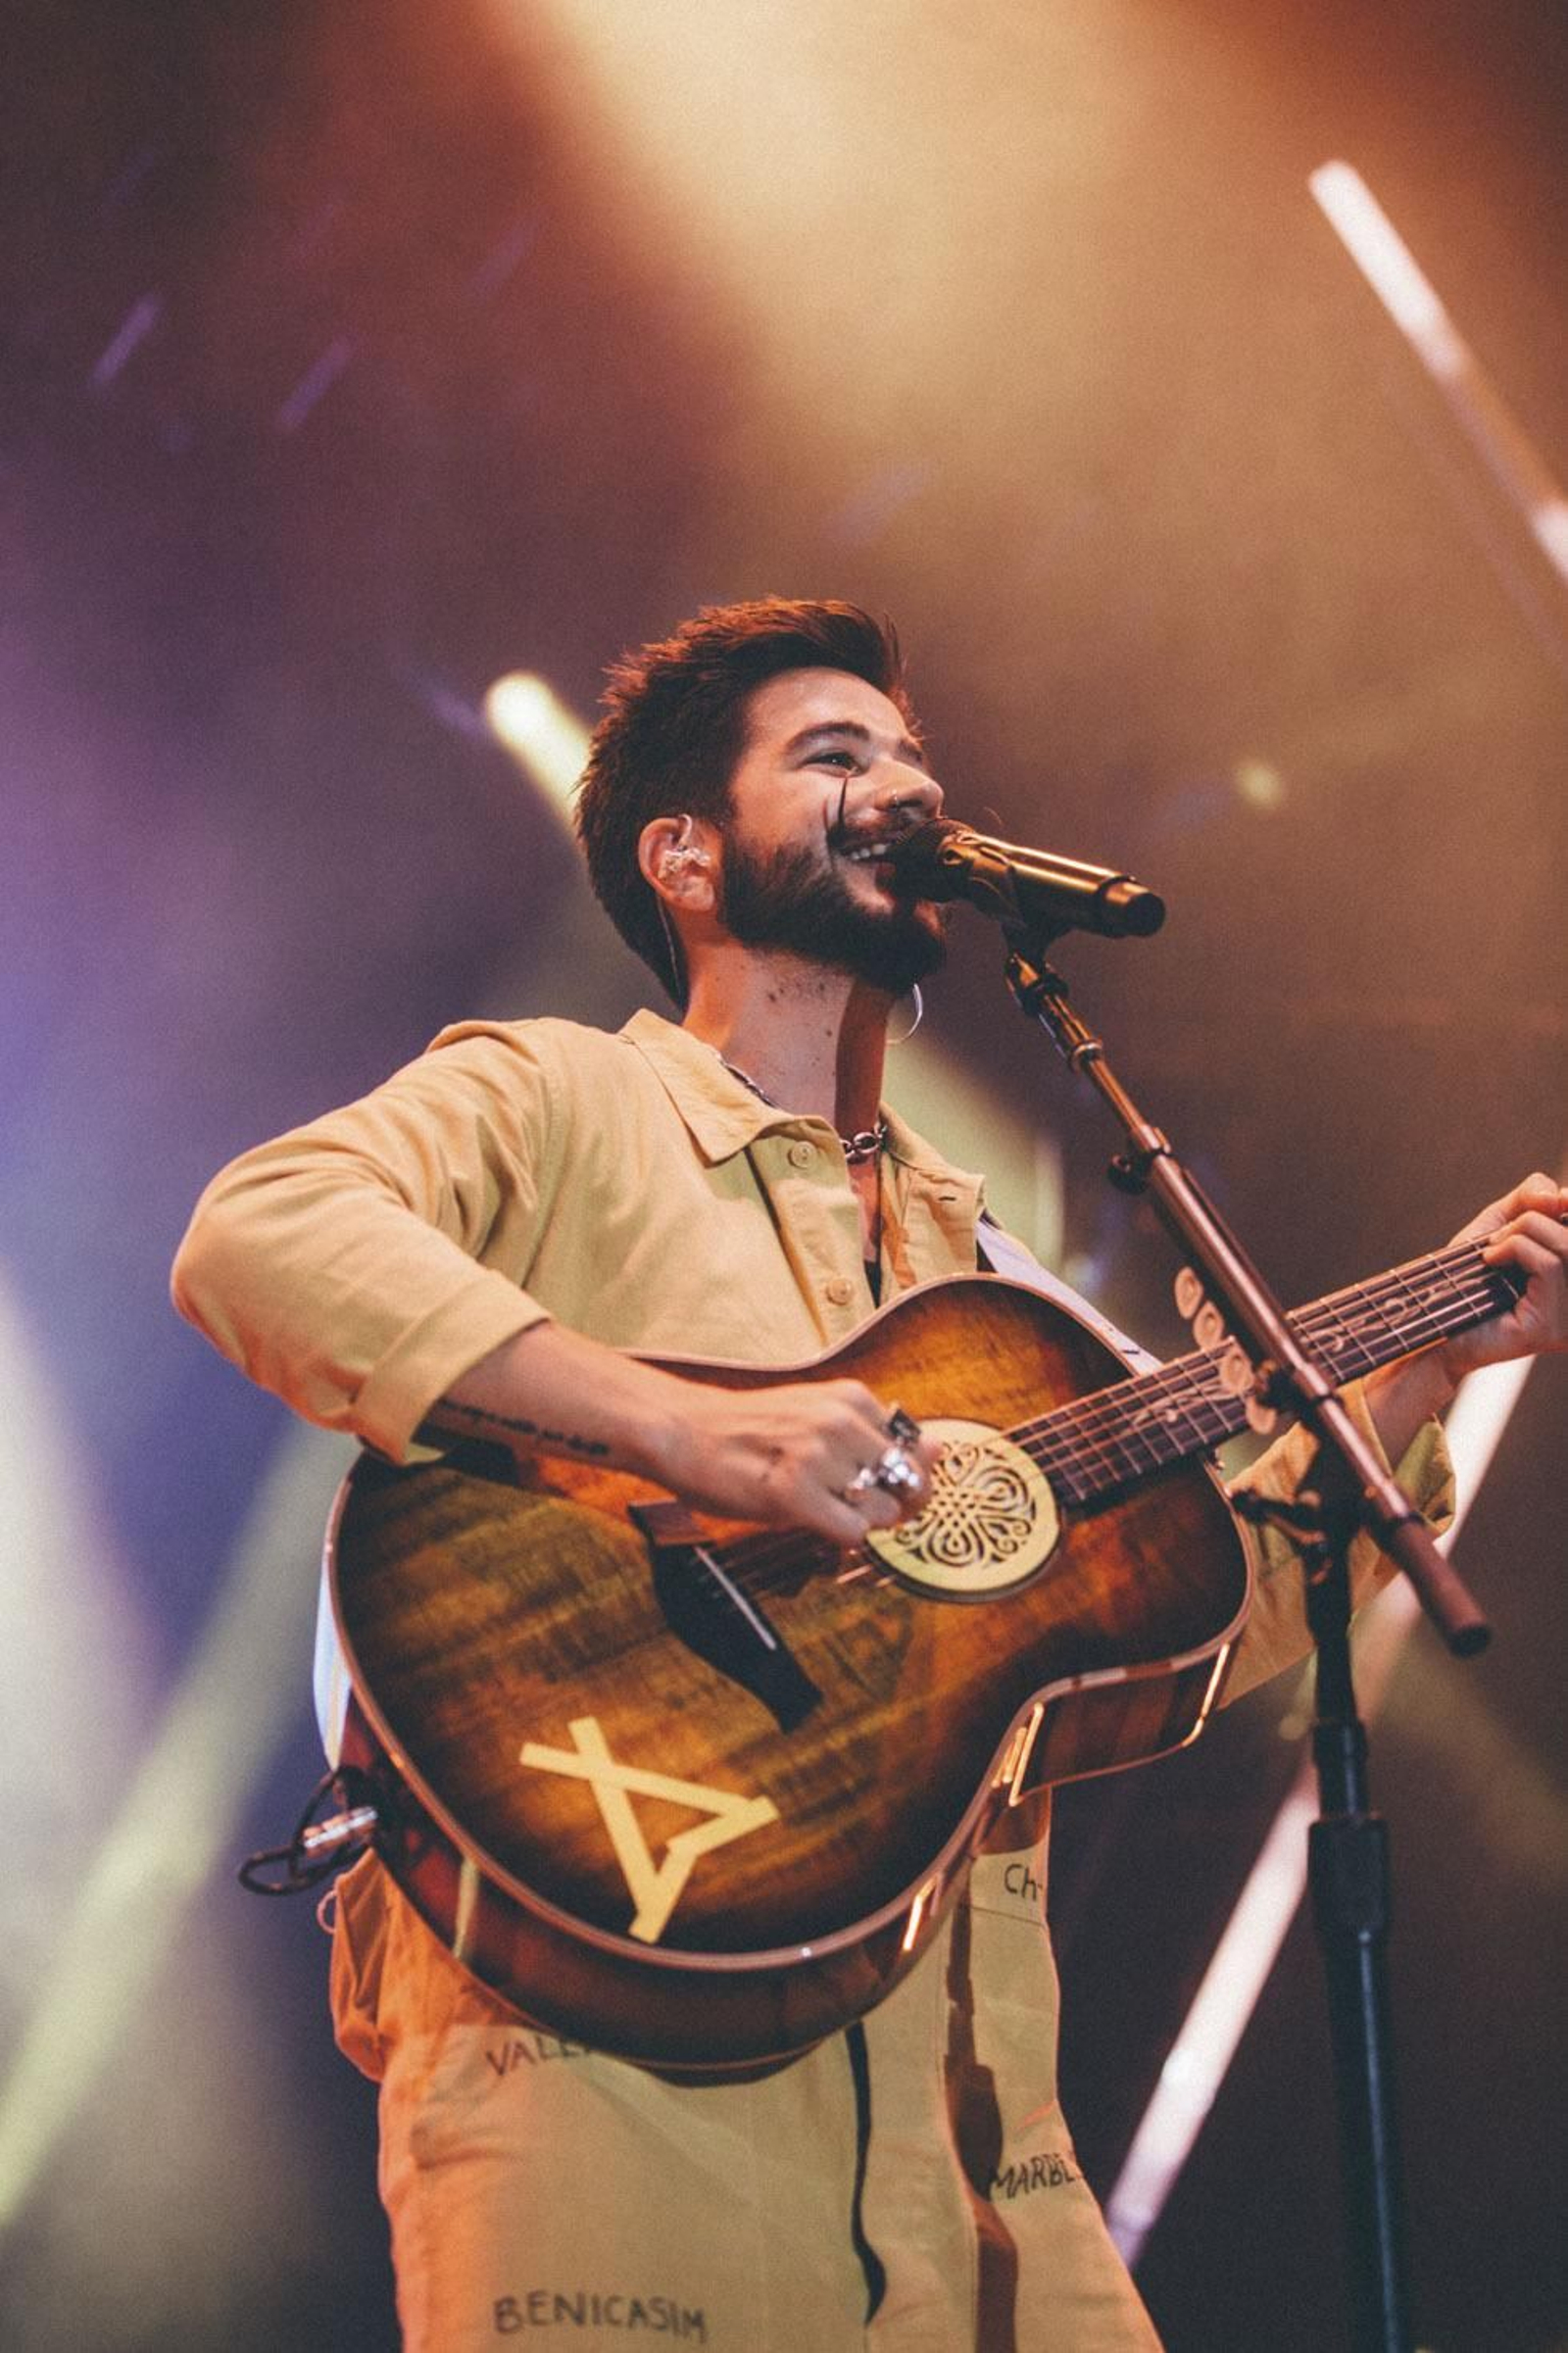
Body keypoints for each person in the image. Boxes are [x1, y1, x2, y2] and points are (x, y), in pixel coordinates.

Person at [172, 599, 1567, 2352]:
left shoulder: (986, 1270)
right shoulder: (558, 1098)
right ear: (684, 855)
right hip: (600, 2080)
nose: (901, 784)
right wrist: (690, 1429)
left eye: (914, 757)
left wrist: (1432, 1355)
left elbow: (1193, 1629)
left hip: (993, 2154)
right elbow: (263, 1233)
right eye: (836, 756)